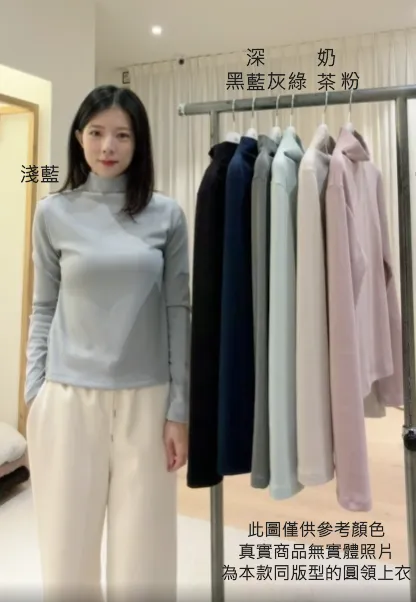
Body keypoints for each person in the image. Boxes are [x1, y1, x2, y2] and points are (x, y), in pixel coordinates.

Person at [24, 84, 191, 602]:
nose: (108, 146)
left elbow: (178, 311)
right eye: (96, 133)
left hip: (147, 400)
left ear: (139, 143)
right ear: (79, 137)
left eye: (122, 135)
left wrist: (179, 408)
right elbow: (43, 306)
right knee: (66, 551)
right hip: (68, 399)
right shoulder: (53, 213)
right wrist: (35, 392)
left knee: (144, 556)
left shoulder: (166, 215)